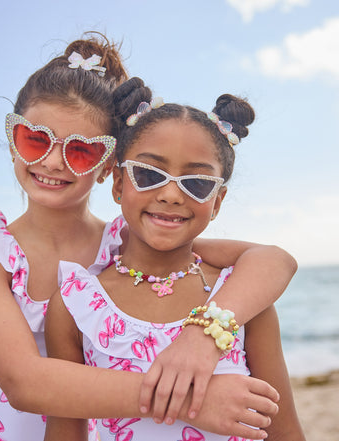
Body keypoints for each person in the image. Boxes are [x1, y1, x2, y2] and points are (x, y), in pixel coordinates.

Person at [0, 33, 295, 441]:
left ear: (108, 164)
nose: (53, 161)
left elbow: (272, 261)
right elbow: (26, 383)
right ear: (12, 140)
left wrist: (203, 336)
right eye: (36, 139)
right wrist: (191, 399)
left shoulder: (130, 243)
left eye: (81, 150)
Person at [44, 79, 305, 441]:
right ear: (119, 183)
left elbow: (284, 430)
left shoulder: (241, 298)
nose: (170, 194)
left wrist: (204, 337)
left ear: (217, 201)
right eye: (149, 175)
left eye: (196, 182)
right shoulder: (76, 304)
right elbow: (65, 429)